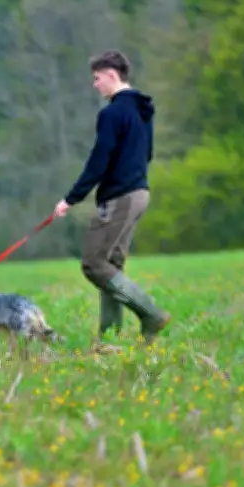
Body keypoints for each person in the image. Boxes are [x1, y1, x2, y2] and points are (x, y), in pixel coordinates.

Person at [52, 50, 170, 345]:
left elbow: (99, 160)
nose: (95, 85)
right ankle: (108, 341)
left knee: (93, 264)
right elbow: (148, 154)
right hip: (140, 193)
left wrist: (71, 199)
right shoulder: (142, 111)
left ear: (112, 76)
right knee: (110, 266)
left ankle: (151, 314)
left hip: (120, 197)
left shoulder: (112, 113)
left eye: (96, 79)